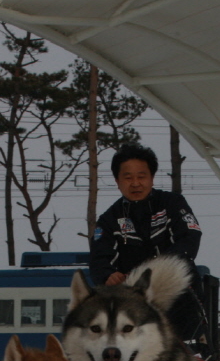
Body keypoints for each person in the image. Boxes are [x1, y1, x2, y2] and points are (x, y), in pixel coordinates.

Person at [89, 143, 207, 346]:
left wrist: (158, 270)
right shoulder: (109, 219)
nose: (135, 183)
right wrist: (108, 275)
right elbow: (99, 259)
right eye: (128, 177)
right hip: (133, 306)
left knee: (190, 355)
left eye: (141, 176)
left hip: (181, 296)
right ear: (117, 181)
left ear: (151, 178)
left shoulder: (173, 203)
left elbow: (190, 238)